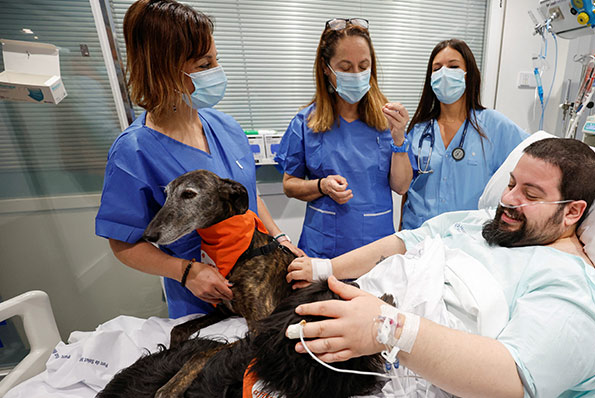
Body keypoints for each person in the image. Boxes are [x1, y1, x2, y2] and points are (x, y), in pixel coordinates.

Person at [286, 138, 595, 398]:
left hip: (397, 374)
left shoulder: (570, 287)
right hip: (358, 331)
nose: (508, 199)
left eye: (530, 194)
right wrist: (326, 268)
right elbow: (405, 242)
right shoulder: (479, 224)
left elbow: (511, 379)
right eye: (511, 183)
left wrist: (389, 328)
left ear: (572, 211)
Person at [95, 0, 301, 319]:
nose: (217, 73)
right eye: (205, 65)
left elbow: (247, 196)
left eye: (216, 61)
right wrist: (186, 272)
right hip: (204, 303)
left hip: (262, 289)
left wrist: (280, 237)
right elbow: (124, 244)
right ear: (165, 68)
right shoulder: (134, 152)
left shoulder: (227, 128)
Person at [275, 18, 413, 259]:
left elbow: (401, 187)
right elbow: (289, 185)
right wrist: (321, 185)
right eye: (346, 67)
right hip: (324, 246)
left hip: (376, 245)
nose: (357, 74)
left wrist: (399, 138)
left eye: (363, 65)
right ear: (326, 68)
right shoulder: (305, 122)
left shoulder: (388, 120)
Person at [401, 39, 529, 230]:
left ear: (468, 75)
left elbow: (536, 158)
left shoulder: (494, 125)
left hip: (469, 237)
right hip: (419, 234)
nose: (444, 73)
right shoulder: (419, 131)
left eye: (453, 66)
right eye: (437, 69)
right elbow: (406, 189)